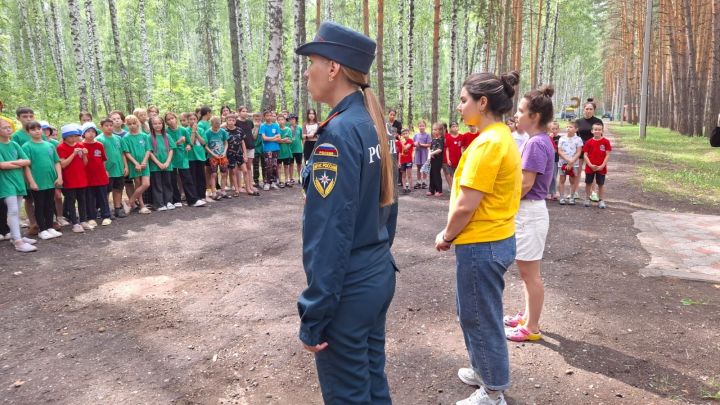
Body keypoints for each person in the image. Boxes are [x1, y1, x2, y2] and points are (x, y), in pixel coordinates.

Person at [295, 21, 398, 405]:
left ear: (333, 67)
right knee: (371, 383)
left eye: (314, 62)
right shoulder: (374, 124)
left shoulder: (338, 135)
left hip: (349, 289)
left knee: (349, 395)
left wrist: (316, 313)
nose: (309, 71)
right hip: (375, 272)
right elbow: (390, 206)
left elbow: (329, 232)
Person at [434, 70, 521, 405]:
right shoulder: (499, 136)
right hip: (491, 240)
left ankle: (493, 390)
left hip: (482, 243)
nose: (459, 107)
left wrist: (446, 235)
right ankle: (483, 368)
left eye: (464, 99)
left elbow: (466, 205)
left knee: (480, 316)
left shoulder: (489, 144)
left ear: (482, 103)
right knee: (471, 310)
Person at [504, 85, 556, 344]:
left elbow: (525, 184)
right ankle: (526, 317)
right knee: (526, 272)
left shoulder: (536, 144)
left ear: (535, 116)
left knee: (530, 274)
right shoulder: (537, 141)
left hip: (530, 213)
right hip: (529, 213)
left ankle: (532, 326)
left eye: (522, 111)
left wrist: (502, 201)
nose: (517, 115)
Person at [0, 117, 37, 252]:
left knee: (16, 208)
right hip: (6, 182)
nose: (8, 129)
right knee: (13, 210)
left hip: (18, 181)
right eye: (5, 127)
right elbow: (2, 165)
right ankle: (18, 241)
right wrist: (18, 162)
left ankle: (16, 236)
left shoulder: (14, 144)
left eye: (9, 127)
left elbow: (27, 161)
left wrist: (15, 163)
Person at [22, 121, 62, 240]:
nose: (37, 131)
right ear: (28, 132)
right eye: (33, 129)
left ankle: (50, 227)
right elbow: (26, 166)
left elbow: (56, 161)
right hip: (37, 182)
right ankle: (42, 229)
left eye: (39, 128)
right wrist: (31, 182)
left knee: (50, 204)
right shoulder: (27, 146)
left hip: (51, 180)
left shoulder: (49, 145)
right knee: (39, 205)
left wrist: (59, 176)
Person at [10, 107, 40, 235]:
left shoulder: (39, 132)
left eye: (30, 116)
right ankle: (32, 223)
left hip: (41, 171)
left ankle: (45, 220)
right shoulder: (16, 136)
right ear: (18, 118)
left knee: (42, 197)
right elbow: (15, 155)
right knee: (29, 198)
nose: (28, 119)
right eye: (25, 116)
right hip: (26, 172)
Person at [57, 124, 91, 232]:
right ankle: (75, 223)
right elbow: (63, 164)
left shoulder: (80, 145)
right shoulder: (61, 147)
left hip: (81, 178)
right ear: (65, 137)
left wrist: (85, 155)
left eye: (75, 136)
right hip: (69, 179)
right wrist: (73, 153)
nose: (73, 138)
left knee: (82, 200)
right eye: (71, 136)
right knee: (71, 201)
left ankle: (83, 220)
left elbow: (85, 163)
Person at [97, 118, 129, 218]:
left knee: (118, 189)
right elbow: (99, 157)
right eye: (106, 126)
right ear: (101, 127)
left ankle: (117, 208)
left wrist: (126, 166)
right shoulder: (99, 140)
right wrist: (104, 170)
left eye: (111, 125)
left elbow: (123, 153)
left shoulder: (118, 138)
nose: (109, 127)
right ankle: (106, 210)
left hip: (119, 169)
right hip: (108, 170)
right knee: (106, 191)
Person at [81, 122, 112, 226]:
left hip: (100, 176)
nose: (91, 134)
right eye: (88, 131)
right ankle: (91, 217)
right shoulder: (80, 146)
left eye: (93, 131)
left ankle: (106, 216)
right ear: (83, 133)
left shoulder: (99, 145)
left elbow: (103, 160)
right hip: (87, 177)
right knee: (89, 198)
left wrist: (105, 171)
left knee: (103, 197)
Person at [122, 115, 152, 214]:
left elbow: (148, 149)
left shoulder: (144, 136)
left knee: (146, 184)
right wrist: (136, 163)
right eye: (129, 124)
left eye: (134, 123)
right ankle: (142, 206)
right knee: (138, 184)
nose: (132, 126)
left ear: (138, 123)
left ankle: (130, 202)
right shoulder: (126, 138)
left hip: (144, 163)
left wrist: (144, 161)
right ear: (126, 125)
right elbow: (127, 153)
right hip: (134, 164)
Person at [575, 98, 603, 201]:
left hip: (593, 151)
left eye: (590, 109)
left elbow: (600, 136)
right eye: (586, 108)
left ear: (594, 110)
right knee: (577, 171)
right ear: (583, 109)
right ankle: (575, 192)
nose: (588, 110)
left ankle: (593, 193)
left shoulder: (598, 121)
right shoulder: (578, 122)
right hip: (580, 150)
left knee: (592, 171)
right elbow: (575, 137)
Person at [148, 116, 176, 210]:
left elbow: (171, 149)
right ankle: (159, 204)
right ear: (151, 125)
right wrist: (158, 163)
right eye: (155, 124)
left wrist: (167, 162)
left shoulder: (167, 136)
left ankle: (168, 201)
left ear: (163, 124)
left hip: (167, 165)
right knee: (157, 184)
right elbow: (149, 152)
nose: (157, 125)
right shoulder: (149, 137)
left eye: (159, 123)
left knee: (167, 183)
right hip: (155, 166)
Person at [582, 122, 612, 209]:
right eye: (595, 129)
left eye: (599, 130)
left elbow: (607, 155)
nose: (597, 131)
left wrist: (602, 165)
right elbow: (585, 155)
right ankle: (587, 198)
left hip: (601, 168)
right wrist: (590, 165)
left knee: (601, 184)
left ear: (602, 131)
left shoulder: (606, 142)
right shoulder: (588, 142)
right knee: (588, 183)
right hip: (590, 167)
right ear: (592, 131)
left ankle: (601, 200)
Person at [557, 121, 583, 205]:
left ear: (576, 129)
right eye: (567, 127)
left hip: (574, 164)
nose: (568, 128)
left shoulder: (578, 139)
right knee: (562, 180)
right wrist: (568, 160)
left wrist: (572, 161)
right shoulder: (562, 138)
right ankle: (561, 197)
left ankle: (572, 197)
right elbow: (560, 151)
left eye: (571, 127)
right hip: (562, 163)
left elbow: (579, 152)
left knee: (572, 181)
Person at [205, 116, 230, 200]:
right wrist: (212, 154)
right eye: (215, 126)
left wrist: (224, 152)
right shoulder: (208, 133)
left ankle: (223, 191)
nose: (217, 128)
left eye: (218, 125)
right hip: (213, 157)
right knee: (214, 174)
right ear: (211, 124)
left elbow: (226, 143)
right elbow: (205, 145)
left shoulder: (222, 131)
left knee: (224, 173)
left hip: (222, 156)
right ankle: (214, 192)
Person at [225, 113, 249, 196]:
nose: (231, 122)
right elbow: (224, 144)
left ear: (235, 121)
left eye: (233, 120)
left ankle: (248, 188)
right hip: (230, 154)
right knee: (234, 172)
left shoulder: (239, 130)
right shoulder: (225, 132)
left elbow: (243, 143)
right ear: (226, 121)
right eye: (229, 120)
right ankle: (236, 189)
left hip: (240, 154)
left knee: (245, 171)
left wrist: (245, 154)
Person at [187, 112, 208, 201]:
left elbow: (204, 142)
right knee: (192, 177)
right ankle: (194, 196)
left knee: (201, 176)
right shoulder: (186, 130)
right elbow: (190, 143)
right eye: (191, 119)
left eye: (194, 119)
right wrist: (193, 131)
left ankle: (202, 195)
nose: (193, 121)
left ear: (197, 120)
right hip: (191, 157)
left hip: (200, 156)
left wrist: (197, 133)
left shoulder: (201, 130)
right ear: (188, 121)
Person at [259, 110, 281, 190]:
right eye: (267, 115)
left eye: (270, 115)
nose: (269, 117)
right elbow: (264, 138)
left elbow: (279, 137)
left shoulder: (276, 126)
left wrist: (270, 139)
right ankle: (267, 182)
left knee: (275, 166)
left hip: (276, 148)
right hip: (267, 149)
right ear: (264, 117)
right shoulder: (263, 126)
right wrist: (273, 138)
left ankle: (274, 182)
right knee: (268, 166)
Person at [236, 106, 256, 190]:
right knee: (240, 167)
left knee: (249, 167)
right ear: (239, 112)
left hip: (250, 145)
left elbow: (251, 133)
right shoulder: (236, 122)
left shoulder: (250, 122)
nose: (245, 113)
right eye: (243, 111)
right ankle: (240, 186)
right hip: (240, 147)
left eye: (246, 111)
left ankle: (250, 185)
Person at [427, 122, 444, 196]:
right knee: (431, 174)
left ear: (440, 131)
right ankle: (431, 190)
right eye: (433, 130)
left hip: (438, 160)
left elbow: (440, 149)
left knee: (436, 174)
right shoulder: (433, 139)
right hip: (433, 159)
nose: (433, 131)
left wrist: (432, 153)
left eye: (435, 130)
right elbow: (431, 149)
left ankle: (439, 190)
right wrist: (430, 153)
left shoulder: (441, 139)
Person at [444, 121, 463, 188]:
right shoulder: (448, 137)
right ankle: (453, 188)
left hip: (459, 159)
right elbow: (447, 149)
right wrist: (448, 159)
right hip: (451, 160)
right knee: (451, 174)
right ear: (450, 128)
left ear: (458, 127)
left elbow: (463, 148)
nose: (455, 128)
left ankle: (458, 187)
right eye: (453, 126)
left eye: (456, 126)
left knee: (459, 174)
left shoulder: (461, 137)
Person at [413, 121, 431, 189]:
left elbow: (429, 144)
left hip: (424, 153)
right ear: (418, 127)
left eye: (423, 126)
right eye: (420, 126)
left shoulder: (427, 135)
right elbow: (413, 144)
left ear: (425, 127)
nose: (421, 127)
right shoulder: (416, 135)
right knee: (418, 168)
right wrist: (416, 144)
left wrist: (421, 144)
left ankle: (424, 182)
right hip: (418, 153)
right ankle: (418, 181)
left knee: (424, 167)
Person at [277, 114, 294, 187]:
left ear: (285, 120)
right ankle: (279, 181)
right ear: (277, 121)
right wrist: (284, 140)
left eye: (282, 119)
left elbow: (290, 141)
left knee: (286, 166)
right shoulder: (276, 128)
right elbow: (276, 140)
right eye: (279, 120)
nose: (281, 121)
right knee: (279, 166)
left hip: (286, 151)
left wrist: (281, 140)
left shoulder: (288, 129)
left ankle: (287, 180)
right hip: (278, 151)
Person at [547, 121, 561, 200]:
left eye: (556, 129)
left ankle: (553, 192)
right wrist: (550, 138)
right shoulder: (547, 137)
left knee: (554, 176)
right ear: (549, 129)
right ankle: (548, 192)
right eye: (552, 129)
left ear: (558, 129)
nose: (554, 130)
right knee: (549, 176)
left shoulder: (560, 138)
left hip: (556, 159)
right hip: (548, 160)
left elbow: (558, 149)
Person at [398, 128, 414, 194]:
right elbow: (399, 152)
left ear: (409, 133)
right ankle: (404, 188)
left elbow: (406, 147)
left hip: (409, 160)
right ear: (402, 135)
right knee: (403, 175)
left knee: (409, 174)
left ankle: (410, 187)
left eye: (406, 133)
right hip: (402, 161)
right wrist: (399, 161)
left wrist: (401, 142)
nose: (405, 135)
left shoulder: (410, 141)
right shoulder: (401, 142)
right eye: (403, 134)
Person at [288, 113, 304, 184]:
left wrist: (304, 147)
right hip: (290, 149)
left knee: (299, 164)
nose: (292, 120)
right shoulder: (287, 128)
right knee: (290, 164)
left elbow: (302, 138)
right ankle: (291, 178)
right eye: (290, 119)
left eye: (293, 119)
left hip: (298, 149)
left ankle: (300, 177)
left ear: (296, 120)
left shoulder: (299, 128)